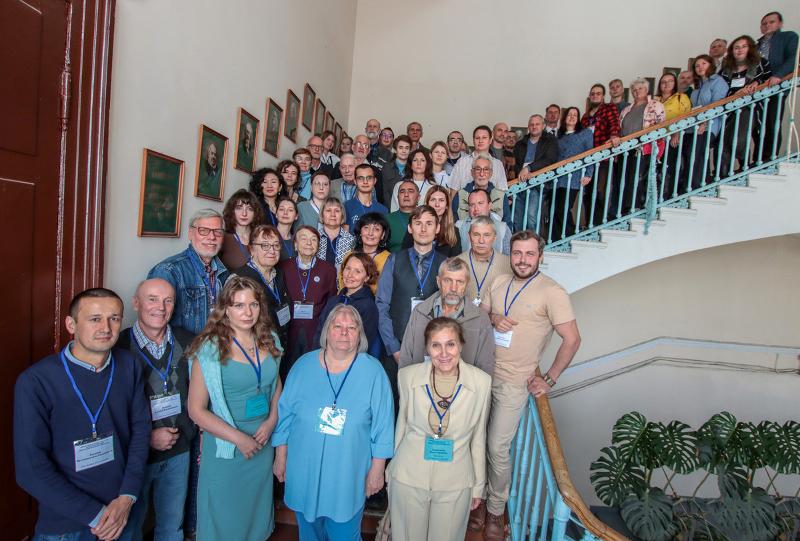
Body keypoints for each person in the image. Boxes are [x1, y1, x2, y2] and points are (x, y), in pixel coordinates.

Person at [14, 288, 150, 541]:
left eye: (114, 318)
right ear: (71, 324)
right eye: (95, 319)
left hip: (123, 511)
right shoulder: (36, 381)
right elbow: (31, 470)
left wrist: (127, 497)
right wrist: (98, 516)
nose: (106, 328)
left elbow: (141, 433)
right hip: (67, 524)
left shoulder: (129, 365)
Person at [477, 231, 581, 540]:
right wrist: (494, 317)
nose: (523, 260)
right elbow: (481, 314)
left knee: (497, 447)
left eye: (530, 254)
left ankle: (496, 509)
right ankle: (477, 499)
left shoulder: (552, 292)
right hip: (482, 374)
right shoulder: (499, 282)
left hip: (514, 381)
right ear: (511, 254)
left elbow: (572, 339)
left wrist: (549, 379)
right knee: (476, 440)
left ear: (540, 256)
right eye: (517, 253)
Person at [272, 305, 394, 540]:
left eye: (352, 327)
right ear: (327, 331)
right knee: (308, 533)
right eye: (338, 326)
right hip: (303, 470)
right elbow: (284, 415)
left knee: (345, 534)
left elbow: (383, 426)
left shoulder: (373, 373)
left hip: (347, 475)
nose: (344, 332)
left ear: (360, 334)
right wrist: (280, 456)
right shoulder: (303, 366)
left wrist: (377, 470)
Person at [186, 276, 282, 541]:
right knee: (225, 520)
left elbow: (276, 386)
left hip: (262, 442)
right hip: (227, 448)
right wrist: (239, 438)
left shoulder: (270, 339)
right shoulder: (209, 348)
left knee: (255, 518)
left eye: (253, 304)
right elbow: (196, 410)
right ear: (225, 309)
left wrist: (271, 421)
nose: (248, 312)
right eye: (239, 305)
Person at [389, 317, 492, 541]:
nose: (444, 353)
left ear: (461, 345)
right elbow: (401, 426)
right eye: (436, 345)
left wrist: (478, 486)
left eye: (450, 344)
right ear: (427, 348)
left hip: (456, 480)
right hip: (408, 476)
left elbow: (478, 437)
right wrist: (391, 472)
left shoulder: (481, 382)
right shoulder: (407, 376)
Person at [118, 279, 196, 541]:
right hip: (135, 455)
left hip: (179, 449)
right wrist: (145, 437)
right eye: (152, 299)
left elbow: (199, 393)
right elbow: (110, 409)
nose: (160, 307)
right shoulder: (118, 347)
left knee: (172, 526)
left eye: (168, 300)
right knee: (129, 528)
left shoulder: (188, 341)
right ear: (136, 303)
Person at [377, 205, 446, 367]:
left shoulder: (446, 264)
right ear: (410, 228)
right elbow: (381, 305)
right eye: (418, 223)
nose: (423, 229)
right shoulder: (394, 260)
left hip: (434, 348)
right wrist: (393, 347)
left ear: (437, 228)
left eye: (429, 223)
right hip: (398, 345)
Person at [399, 259, 494, 375]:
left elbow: (486, 366)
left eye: (460, 282)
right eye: (447, 280)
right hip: (421, 384)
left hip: (463, 386)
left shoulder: (480, 319)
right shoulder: (420, 312)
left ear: (467, 284)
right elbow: (406, 358)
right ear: (438, 282)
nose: (453, 288)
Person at [148, 209, 230, 335]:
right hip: (186, 346)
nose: (212, 237)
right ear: (190, 234)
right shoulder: (168, 271)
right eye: (203, 230)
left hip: (216, 342)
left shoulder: (223, 272)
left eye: (217, 232)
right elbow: (155, 325)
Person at [278, 226, 338, 380]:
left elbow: (331, 302)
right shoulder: (283, 267)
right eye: (303, 238)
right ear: (295, 244)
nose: (309, 243)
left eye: (313, 240)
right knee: (288, 373)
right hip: (289, 331)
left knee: (314, 373)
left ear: (318, 245)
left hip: (316, 331)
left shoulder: (328, 269)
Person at [609, 78, 666, 216]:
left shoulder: (655, 105)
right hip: (625, 150)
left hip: (643, 148)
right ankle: (623, 209)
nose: (636, 91)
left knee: (638, 178)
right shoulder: (626, 109)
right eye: (634, 90)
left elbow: (661, 126)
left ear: (646, 90)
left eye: (640, 88)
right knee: (624, 180)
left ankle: (635, 208)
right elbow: (620, 129)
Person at [719, 35, 773, 176]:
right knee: (725, 141)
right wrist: (735, 95)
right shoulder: (726, 70)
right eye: (736, 47)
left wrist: (757, 82)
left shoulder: (760, 63)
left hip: (751, 107)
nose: (740, 50)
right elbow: (720, 89)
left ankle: (746, 165)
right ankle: (729, 172)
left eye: (744, 46)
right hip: (730, 109)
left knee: (740, 139)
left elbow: (770, 79)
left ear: (750, 48)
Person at [234, 224, 292, 349]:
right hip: (254, 348)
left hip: (279, 345)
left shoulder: (279, 274)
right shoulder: (239, 279)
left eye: (276, 245)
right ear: (251, 250)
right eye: (265, 245)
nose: (272, 251)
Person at [314, 252, 382, 358]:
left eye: (357, 271)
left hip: (351, 361)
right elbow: (320, 332)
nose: (350, 275)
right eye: (348, 268)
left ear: (367, 277)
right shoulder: (333, 301)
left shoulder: (369, 306)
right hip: (325, 358)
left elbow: (364, 344)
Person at [682, 55, 729, 191]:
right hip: (694, 128)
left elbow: (717, 105)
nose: (700, 67)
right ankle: (697, 185)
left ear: (710, 65)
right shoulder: (697, 87)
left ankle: (696, 187)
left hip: (710, 126)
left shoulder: (717, 81)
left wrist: (705, 123)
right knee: (692, 154)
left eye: (703, 63)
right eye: (697, 65)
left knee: (697, 153)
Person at [756, 11, 799, 161]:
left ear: (780, 23)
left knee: (772, 122)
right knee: (755, 126)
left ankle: (769, 158)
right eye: (764, 23)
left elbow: (794, 57)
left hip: (776, 87)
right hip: (757, 90)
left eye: (771, 22)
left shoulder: (788, 37)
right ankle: (757, 159)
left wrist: (779, 75)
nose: (767, 25)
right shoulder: (756, 45)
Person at [581, 84, 621, 225]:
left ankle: (598, 224)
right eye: (592, 94)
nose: (595, 96)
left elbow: (615, 124)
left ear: (603, 96)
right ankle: (589, 223)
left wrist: (614, 135)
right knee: (587, 193)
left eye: (598, 93)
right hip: (587, 160)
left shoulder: (609, 108)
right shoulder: (585, 117)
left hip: (603, 158)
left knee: (600, 191)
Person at [552, 106, 594, 241]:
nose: (572, 117)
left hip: (573, 177)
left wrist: (589, 174)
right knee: (555, 210)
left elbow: (590, 154)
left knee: (564, 209)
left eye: (575, 115)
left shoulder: (585, 133)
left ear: (578, 118)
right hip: (557, 179)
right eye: (569, 114)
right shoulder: (559, 136)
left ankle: (570, 238)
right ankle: (557, 240)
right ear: (564, 118)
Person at [513, 114, 560, 232]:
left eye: (537, 124)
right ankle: (519, 242)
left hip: (537, 185)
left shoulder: (550, 141)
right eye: (531, 124)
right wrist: (521, 173)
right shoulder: (520, 144)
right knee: (517, 220)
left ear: (543, 126)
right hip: (520, 184)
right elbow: (517, 165)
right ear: (528, 127)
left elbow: (549, 159)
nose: (534, 126)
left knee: (531, 218)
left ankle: (534, 243)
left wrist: (529, 168)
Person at [456, 215, 511, 305]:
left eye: (486, 235)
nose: (481, 241)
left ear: (495, 237)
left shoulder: (508, 264)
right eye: (476, 235)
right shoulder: (457, 263)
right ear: (469, 236)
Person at [655, 73, 692, 199]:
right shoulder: (655, 100)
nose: (666, 84)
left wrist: (677, 134)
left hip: (672, 137)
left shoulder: (681, 97)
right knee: (655, 169)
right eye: (663, 82)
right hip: (656, 140)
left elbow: (685, 117)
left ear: (675, 83)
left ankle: (668, 195)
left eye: (670, 81)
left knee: (670, 167)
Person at [449, 125, 508, 191]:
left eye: (484, 137)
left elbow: (502, 191)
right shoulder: (462, 162)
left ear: (490, 140)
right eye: (477, 138)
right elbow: (453, 190)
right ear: (473, 140)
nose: (480, 141)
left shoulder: (498, 164)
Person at [453, 153, 509, 222]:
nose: (482, 174)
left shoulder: (501, 196)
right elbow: (453, 223)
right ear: (472, 172)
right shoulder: (460, 195)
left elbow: (507, 224)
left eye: (486, 169)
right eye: (478, 169)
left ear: (491, 173)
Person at [410, 185, 462, 257]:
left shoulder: (454, 232)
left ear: (447, 205)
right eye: (433, 200)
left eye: (441, 200)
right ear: (427, 203)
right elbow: (405, 256)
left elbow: (456, 262)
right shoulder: (416, 227)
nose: (437, 204)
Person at [220, 189, 265, 270]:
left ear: (255, 213)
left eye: (249, 209)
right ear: (232, 211)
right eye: (239, 208)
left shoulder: (261, 238)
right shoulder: (223, 238)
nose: (244, 213)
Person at [456, 189, 512, 255]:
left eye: (480, 203)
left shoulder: (503, 228)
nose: (476, 208)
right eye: (472, 205)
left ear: (489, 205)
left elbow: (508, 257)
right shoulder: (458, 227)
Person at [353, 212, 392, 292]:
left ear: (383, 235)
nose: (370, 233)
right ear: (360, 232)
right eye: (366, 227)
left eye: (376, 229)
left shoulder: (390, 259)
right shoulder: (350, 256)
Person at [345, 163, 388, 230]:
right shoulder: (346, 207)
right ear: (355, 181)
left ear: (374, 181)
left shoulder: (383, 210)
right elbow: (345, 234)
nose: (365, 182)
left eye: (369, 178)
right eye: (360, 178)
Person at [317, 197, 356, 270]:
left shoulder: (351, 240)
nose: (333, 214)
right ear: (322, 215)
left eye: (337, 211)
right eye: (328, 210)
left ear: (342, 215)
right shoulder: (315, 238)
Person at [386, 179, 419, 253]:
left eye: (410, 191)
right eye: (402, 191)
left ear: (418, 197)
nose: (406, 195)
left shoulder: (425, 219)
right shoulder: (387, 219)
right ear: (398, 197)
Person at [381, 135, 412, 206]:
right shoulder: (387, 168)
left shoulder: (413, 167)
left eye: (407, 148)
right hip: (391, 207)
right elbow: (385, 192)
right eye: (400, 148)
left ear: (410, 151)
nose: (404, 151)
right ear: (395, 150)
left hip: (410, 208)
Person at [276, 196, 300, 261]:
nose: (285, 213)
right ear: (276, 214)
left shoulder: (297, 240)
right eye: (281, 209)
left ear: (296, 216)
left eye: (290, 210)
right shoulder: (268, 236)